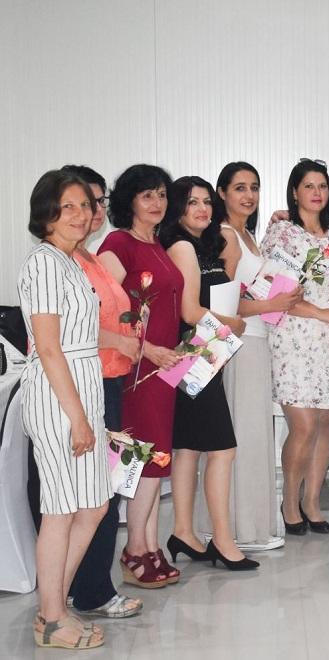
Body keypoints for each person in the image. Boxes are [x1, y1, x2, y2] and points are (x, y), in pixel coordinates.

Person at [19, 170, 109, 648]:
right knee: (59, 509)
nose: (79, 214)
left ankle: (52, 604)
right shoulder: (44, 263)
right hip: (58, 396)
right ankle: (52, 619)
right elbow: (50, 348)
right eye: (67, 206)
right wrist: (77, 417)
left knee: (93, 505)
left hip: (84, 390)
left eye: (85, 205)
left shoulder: (72, 261)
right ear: (47, 212)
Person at [159, 176, 257, 571]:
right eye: (192, 202)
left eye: (206, 202)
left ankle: (183, 531)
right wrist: (232, 324)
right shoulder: (183, 246)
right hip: (193, 354)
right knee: (222, 449)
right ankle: (222, 540)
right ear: (177, 208)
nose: (202, 209)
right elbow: (189, 311)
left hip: (200, 354)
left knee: (188, 448)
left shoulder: (202, 245)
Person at [98, 164, 184, 588]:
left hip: (165, 366)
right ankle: (134, 550)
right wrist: (146, 348)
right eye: (147, 194)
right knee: (145, 458)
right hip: (139, 369)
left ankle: (149, 546)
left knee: (157, 458)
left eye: (162, 195)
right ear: (128, 200)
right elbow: (100, 308)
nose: (156, 202)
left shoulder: (158, 244)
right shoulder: (118, 244)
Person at [64, 165, 143, 618]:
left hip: (108, 380)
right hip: (84, 384)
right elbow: (64, 331)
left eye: (97, 201)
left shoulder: (91, 258)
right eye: (81, 202)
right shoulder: (64, 262)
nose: (92, 211)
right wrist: (119, 341)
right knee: (91, 496)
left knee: (102, 493)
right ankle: (88, 591)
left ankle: (86, 586)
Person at [260, 159, 329, 536]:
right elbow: (270, 291)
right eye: (309, 186)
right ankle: (289, 502)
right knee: (303, 425)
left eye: (322, 186)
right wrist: (318, 312)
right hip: (295, 337)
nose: (317, 192)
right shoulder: (282, 233)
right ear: (295, 192)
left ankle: (313, 501)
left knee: (325, 422)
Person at [212, 162, 299, 551]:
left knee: (254, 432)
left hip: (259, 340)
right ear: (222, 193)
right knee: (242, 433)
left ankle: (250, 524)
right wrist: (272, 304)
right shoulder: (226, 235)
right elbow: (225, 302)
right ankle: (238, 527)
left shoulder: (248, 234)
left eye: (254, 187)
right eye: (239, 188)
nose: (249, 195)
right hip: (241, 341)